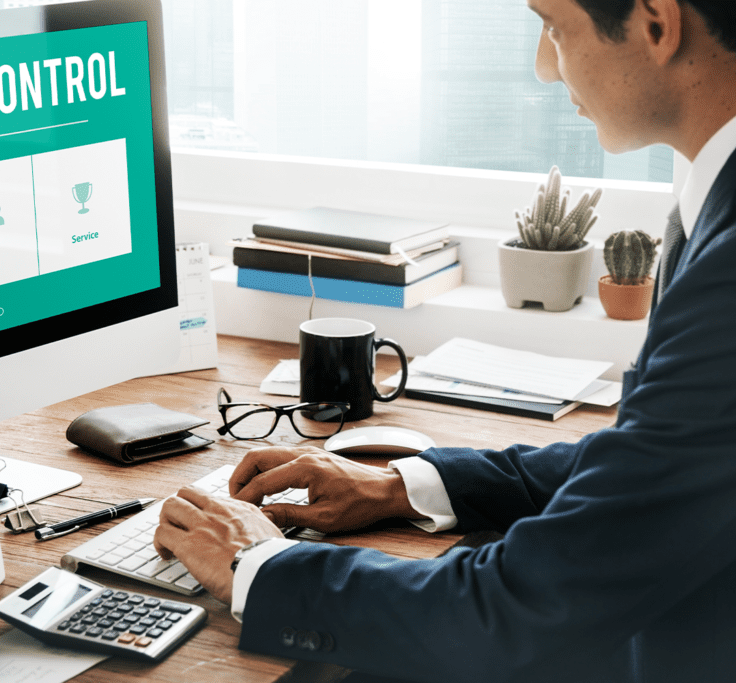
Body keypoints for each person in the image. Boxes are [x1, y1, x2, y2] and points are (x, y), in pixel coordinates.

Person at [152, 1, 736, 681]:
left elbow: (519, 609)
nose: (545, 68)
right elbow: (648, 465)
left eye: (553, 26)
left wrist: (258, 563)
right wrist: (403, 486)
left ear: (657, 25)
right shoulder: (711, 203)